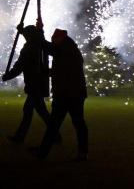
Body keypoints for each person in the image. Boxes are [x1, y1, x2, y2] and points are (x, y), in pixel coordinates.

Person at [33, 28, 88, 161]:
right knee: (69, 124)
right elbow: (62, 69)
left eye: (55, 39)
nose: (53, 41)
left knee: (61, 124)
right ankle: (43, 152)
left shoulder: (65, 49)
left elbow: (47, 47)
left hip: (68, 94)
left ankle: (43, 152)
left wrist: (39, 31)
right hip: (72, 93)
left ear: (60, 38)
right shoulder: (68, 48)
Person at [2, 23, 54, 144]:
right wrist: (22, 30)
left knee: (33, 112)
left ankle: (20, 137)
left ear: (29, 35)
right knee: (37, 112)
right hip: (39, 83)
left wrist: (8, 76)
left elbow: (20, 66)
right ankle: (54, 135)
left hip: (34, 84)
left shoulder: (29, 47)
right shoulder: (39, 44)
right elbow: (38, 36)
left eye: (26, 34)